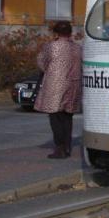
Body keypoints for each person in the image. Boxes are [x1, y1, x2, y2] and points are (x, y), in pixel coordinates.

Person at [35, 21, 82, 159]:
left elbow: (41, 62)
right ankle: (67, 146)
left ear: (56, 33)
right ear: (70, 32)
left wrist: (50, 71)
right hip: (74, 84)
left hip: (56, 84)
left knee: (55, 116)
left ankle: (59, 147)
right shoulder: (78, 48)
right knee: (68, 116)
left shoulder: (51, 47)